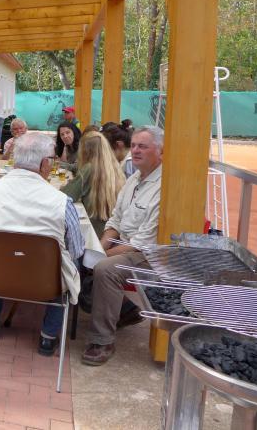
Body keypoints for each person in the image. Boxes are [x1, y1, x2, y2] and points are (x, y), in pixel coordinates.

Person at [0, 132, 83, 355]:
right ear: (44, 163)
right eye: (52, 160)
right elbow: (76, 250)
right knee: (71, 262)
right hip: (45, 280)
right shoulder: (61, 202)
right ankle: (48, 338)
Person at [82, 126, 164, 366]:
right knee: (81, 256)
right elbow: (115, 220)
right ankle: (126, 311)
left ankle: (102, 341)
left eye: (143, 146)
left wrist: (104, 255)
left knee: (105, 269)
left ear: (160, 151)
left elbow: (142, 243)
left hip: (149, 254)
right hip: (125, 245)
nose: (135, 150)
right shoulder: (134, 179)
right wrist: (98, 248)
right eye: (134, 145)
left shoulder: (163, 187)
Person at [60, 132, 126, 237]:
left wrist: (67, 186)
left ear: (85, 150)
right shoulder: (115, 167)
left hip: (94, 231)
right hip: (112, 230)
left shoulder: (89, 169)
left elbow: (66, 196)